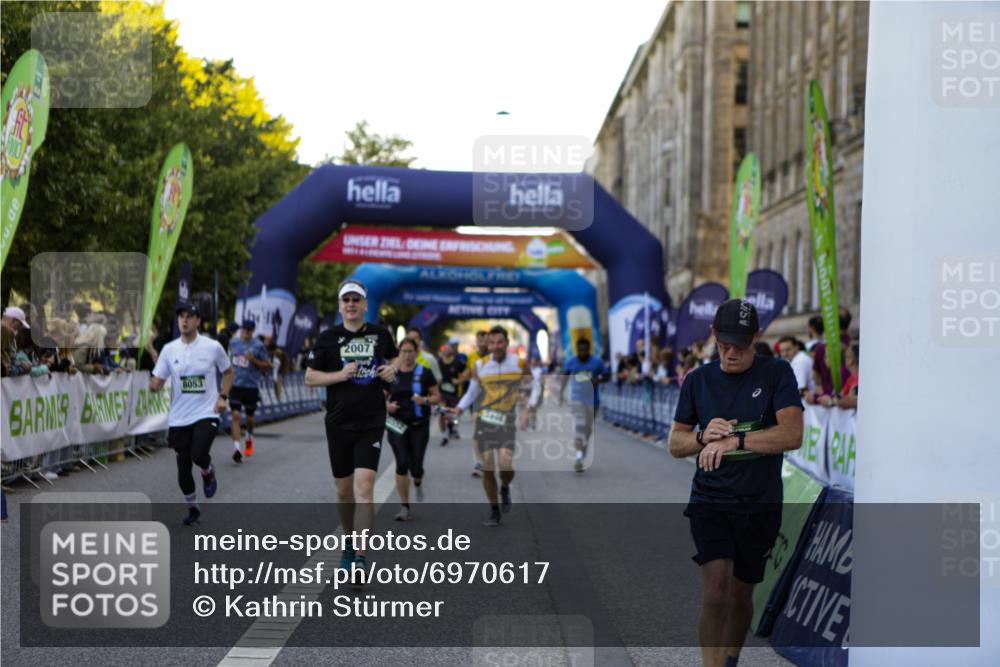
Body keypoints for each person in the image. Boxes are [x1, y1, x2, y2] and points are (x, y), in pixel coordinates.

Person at [667, 299, 803, 667]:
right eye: (724, 343)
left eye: (740, 345)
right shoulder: (698, 380)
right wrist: (700, 438)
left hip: (760, 503)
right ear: (713, 335)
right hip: (711, 499)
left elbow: (792, 435)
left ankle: (730, 659)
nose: (730, 352)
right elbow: (675, 444)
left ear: (757, 337)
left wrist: (736, 441)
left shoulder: (777, 373)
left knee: (742, 595)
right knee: (716, 591)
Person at [305, 280, 397, 576]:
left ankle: (360, 556)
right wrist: (341, 374)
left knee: (365, 487)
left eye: (357, 299)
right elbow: (310, 378)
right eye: (346, 300)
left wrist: (391, 371)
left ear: (365, 304)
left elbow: (393, 362)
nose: (351, 304)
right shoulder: (327, 338)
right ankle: (348, 539)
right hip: (338, 423)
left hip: (371, 422)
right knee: (344, 491)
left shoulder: (380, 335)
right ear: (340, 304)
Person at [149, 302, 234, 526]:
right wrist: (153, 383)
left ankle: (207, 469)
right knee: (183, 466)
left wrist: (223, 397)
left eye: (189, 316)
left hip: (206, 412)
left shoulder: (213, 347)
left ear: (198, 320)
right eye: (181, 317)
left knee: (198, 454)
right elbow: (157, 381)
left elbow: (228, 372)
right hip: (179, 417)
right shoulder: (169, 349)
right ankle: (193, 508)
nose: (184, 320)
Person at [451, 325, 527, 527]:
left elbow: (531, 386)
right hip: (486, 419)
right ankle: (494, 510)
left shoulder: (519, 363)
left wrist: (528, 409)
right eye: (491, 343)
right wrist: (458, 409)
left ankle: (505, 487)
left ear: (507, 343)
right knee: (487, 468)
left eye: (499, 342)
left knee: (506, 467)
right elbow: (472, 392)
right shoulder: (481, 365)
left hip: (507, 420)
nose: (495, 347)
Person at [386, 337, 440, 521]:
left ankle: (417, 482)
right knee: (401, 463)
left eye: (411, 352)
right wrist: (386, 405)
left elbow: (437, 397)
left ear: (416, 353)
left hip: (418, 425)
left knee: (416, 467)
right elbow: (380, 395)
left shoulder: (424, 372)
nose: (407, 355)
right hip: (396, 424)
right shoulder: (391, 374)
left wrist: (424, 400)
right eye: (404, 351)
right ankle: (404, 506)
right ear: (399, 353)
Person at [559, 338, 610, 472]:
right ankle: (578, 458)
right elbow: (564, 376)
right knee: (579, 428)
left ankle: (584, 446)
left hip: (593, 401)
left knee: (587, 430)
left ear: (589, 349)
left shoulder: (596, 362)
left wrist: (597, 381)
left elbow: (607, 375)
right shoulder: (571, 362)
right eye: (580, 350)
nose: (582, 352)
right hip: (577, 400)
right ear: (577, 350)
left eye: (585, 349)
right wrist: (560, 392)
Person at [228, 319, 272, 463]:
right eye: (244, 329)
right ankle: (236, 448)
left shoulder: (258, 346)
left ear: (253, 331)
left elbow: (267, 366)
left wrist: (254, 361)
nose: (246, 332)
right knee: (235, 415)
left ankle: (249, 437)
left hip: (251, 386)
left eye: (249, 330)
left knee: (250, 419)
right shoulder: (233, 343)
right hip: (235, 385)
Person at [463, 330, 490, 476]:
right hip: (477, 397)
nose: (482, 343)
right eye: (480, 340)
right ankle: (479, 462)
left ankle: (487, 460)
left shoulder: (494, 357)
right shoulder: (472, 357)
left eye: (485, 340)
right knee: (476, 431)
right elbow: (469, 373)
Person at [436, 338, 465, 446]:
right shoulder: (438, 362)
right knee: (442, 414)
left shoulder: (458, 363)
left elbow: (467, 374)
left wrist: (459, 380)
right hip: (442, 393)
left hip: (454, 394)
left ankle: (453, 428)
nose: (447, 350)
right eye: (445, 348)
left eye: (449, 349)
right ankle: (444, 436)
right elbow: (432, 375)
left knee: (452, 415)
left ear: (452, 351)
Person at [818, 342, 859, 410]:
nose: (843, 360)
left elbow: (849, 400)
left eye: (845, 357)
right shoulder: (850, 378)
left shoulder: (855, 377)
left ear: (851, 360)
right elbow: (840, 396)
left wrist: (831, 401)